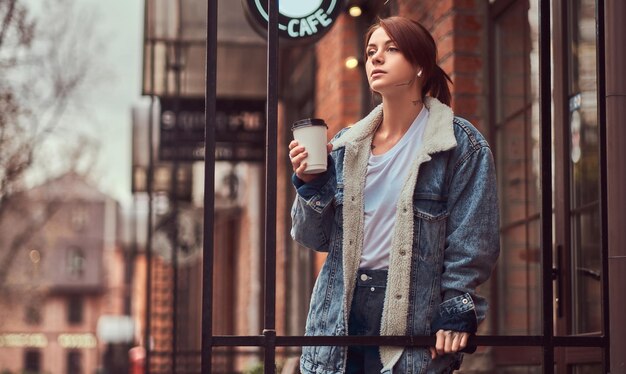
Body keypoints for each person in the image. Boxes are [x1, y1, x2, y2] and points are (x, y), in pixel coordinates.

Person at [289, 16, 500, 374]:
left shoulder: (460, 146)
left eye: (391, 49)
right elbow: (314, 238)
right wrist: (310, 183)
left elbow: (472, 244)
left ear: (420, 64)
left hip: (413, 320)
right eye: (371, 51)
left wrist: (456, 309)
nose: (376, 59)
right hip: (339, 315)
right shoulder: (345, 147)